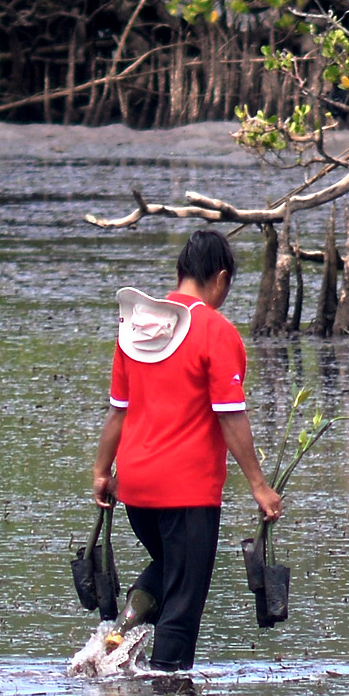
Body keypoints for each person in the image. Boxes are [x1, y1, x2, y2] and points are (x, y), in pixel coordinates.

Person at [91, 227, 282, 671]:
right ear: (221, 278)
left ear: (180, 273)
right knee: (183, 602)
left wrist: (102, 472)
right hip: (187, 493)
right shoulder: (216, 331)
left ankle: (124, 624)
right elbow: (230, 416)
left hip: (135, 490)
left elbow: (118, 411)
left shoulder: (136, 328)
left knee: (171, 568)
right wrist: (259, 485)